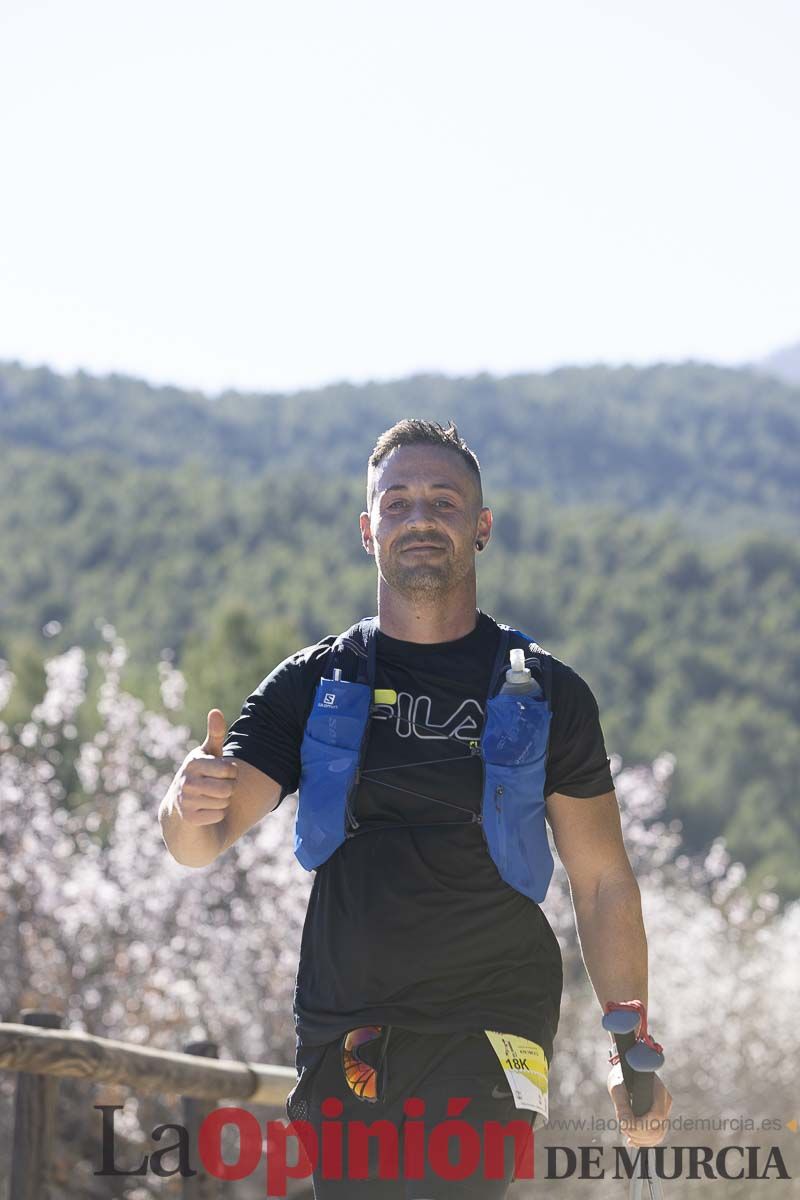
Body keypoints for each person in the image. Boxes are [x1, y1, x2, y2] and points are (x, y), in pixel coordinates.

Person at [159, 420, 673, 1197]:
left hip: (496, 1024)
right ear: (368, 531)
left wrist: (628, 1045)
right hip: (348, 1029)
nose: (420, 516)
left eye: (443, 499)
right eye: (396, 503)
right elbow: (199, 843)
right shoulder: (313, 683)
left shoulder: (546, 692)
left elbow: (602, 883)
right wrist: (184, 799)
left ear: (482, 526)